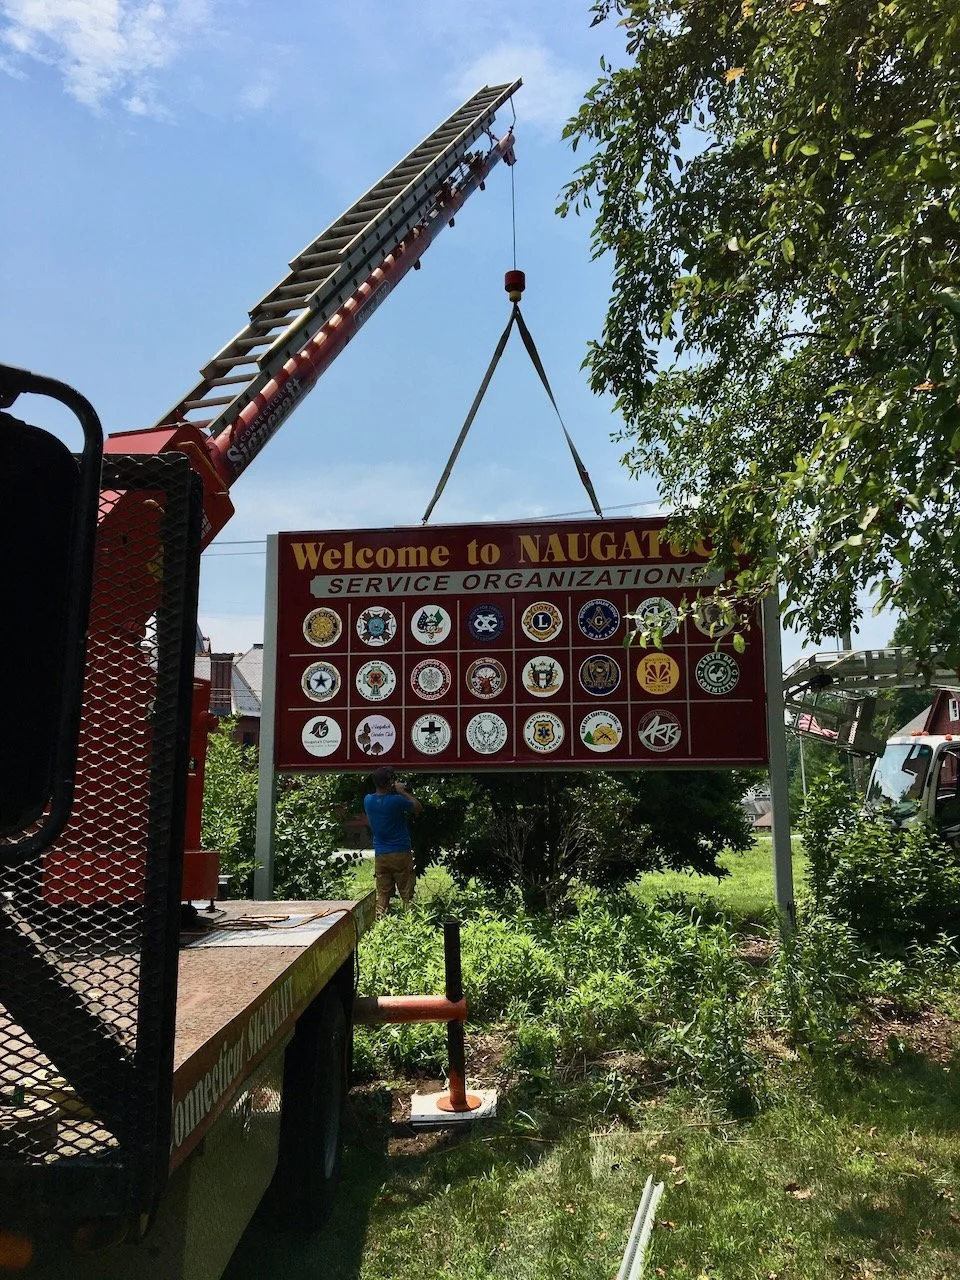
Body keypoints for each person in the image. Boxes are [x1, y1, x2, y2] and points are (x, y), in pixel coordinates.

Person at [363, 767, 422, 917]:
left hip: (381, 854)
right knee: (406, 894)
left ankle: (380, 924)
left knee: (383, 894)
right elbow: (417, 807)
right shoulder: (396, 801)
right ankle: (411, 924)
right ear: (390, 783)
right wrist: (402, 791)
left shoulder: (368, 800)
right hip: (400, 851)